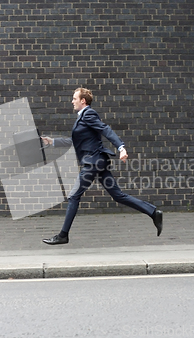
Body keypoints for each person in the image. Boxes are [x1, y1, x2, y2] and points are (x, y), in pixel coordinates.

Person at [41, 87, 163, 245]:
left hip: (92, 163)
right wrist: (53, 141)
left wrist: (121, 147)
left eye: (74, 99)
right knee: (118, 195)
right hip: (98, 161)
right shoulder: (83, 117)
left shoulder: (88, 114)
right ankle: (153, 212)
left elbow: (105, 129)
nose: (72, 101)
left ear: (82, 101)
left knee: (73, 196)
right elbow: (77, 141)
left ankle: (63, 235)